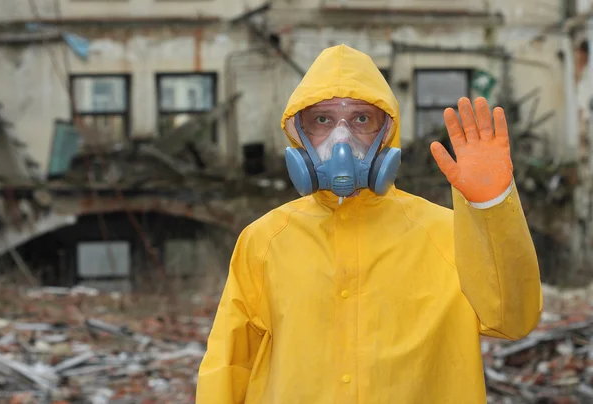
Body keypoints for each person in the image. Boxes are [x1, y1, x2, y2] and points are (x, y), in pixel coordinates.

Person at [196, 44, 542, 403]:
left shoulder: (448, 235)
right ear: (299, 134)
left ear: (387, 131)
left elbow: (513, 320)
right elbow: (229, 366)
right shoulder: (264, 241)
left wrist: (492, 207)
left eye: (361, 119)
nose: (341, 138)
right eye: (322, 120)